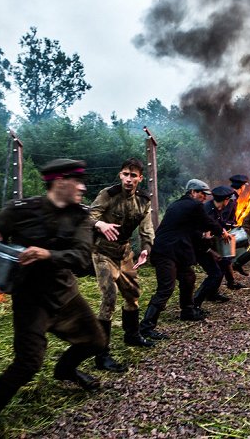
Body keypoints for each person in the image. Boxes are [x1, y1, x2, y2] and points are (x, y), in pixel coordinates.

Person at [0, 159, 106, 438]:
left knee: (97, 341)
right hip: (30, 299)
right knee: (27, 363)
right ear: (59, 181)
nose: (83, 187)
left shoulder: (82, 217)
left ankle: (65, 370)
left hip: (65, 295)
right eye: (77, 181)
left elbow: (80, 259)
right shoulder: (20, 210)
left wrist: (47, 255)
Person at [88, 157, 155, 374]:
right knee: (109, 298)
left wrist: (146, 248)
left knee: (133, 293)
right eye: (125, 174)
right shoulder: (108, 194)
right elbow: (89, 216)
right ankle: (101, 354)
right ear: (120, 175)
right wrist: (100, 224)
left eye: (133, 175)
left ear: (140, 178)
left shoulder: (144, 200)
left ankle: (132, 335)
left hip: (124, 253)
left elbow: (147, 228)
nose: (128, 179)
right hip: (103, 252)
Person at [139, 179, 226, 340]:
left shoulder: (179, 205)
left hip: (177, 251)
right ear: (193, 192)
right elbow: (208, 222)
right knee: (166, 288)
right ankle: (146, 327)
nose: (205, 198)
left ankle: (187, 310)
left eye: (206, 195)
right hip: (166, 252)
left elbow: (192, 231)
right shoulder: (193, 206)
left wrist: (206, 243)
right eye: (202, 194)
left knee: (188, 277)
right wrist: (222, 232)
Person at [193, 185, 238, 308]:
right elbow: (195, 232)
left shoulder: (216, 208)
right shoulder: (205, 210)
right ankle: (195, 304)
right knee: (215, 273)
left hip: (208, 244)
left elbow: (217, 223)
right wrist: (209, 249)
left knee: (223, 263)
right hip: (198, 246)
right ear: (226, 200)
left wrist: (223, 230)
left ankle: (212, 293)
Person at [223, 174, 250, 290]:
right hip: (224, 231)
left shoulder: (230, 195)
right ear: (242, 186)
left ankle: (231, 282)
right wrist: (230, 224)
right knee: (226, 257)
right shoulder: (232, 198)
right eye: (244, 185)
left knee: (226, 258)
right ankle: (230, 283)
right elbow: (224, 215)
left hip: (224, 229)